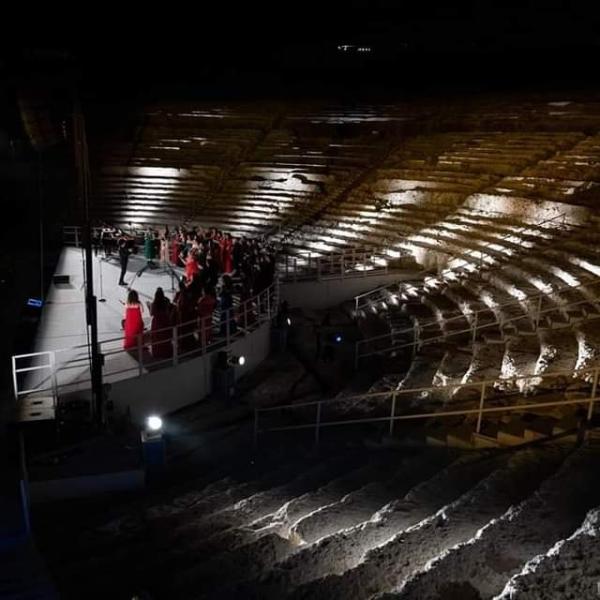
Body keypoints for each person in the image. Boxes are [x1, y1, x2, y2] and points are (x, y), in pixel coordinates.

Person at [147, 287, 173, 359]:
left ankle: (158, 352)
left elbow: (151, 313)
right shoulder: (165, 302)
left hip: (157, 323)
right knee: (165, 335)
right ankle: (166, 351)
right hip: (165, 321)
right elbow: (169, 303)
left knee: (157, 337)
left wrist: (149, 306)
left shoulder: (154, 304)